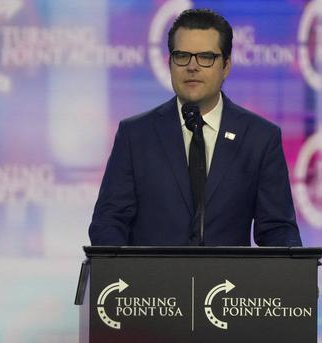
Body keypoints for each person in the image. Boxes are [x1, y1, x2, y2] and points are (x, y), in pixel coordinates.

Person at [89, 9, 301, 246]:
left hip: (229, 282)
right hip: (153, 282)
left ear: (226, 66)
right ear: (170, 63)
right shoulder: (135, 135)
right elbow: (109, 223)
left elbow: (277, 229)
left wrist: (293, 273)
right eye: (182, 56)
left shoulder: (260, 138)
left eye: (206, 57)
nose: (192, 66)